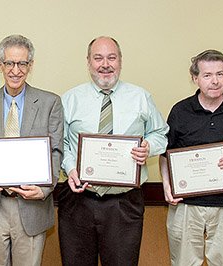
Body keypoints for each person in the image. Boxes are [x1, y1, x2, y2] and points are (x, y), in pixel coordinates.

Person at [58, 36, 169, 266]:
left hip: (124, 203)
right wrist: (70, 168)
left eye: (111, 57)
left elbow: (161, 134)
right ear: (88, 62)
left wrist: (148, 147)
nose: (105, 64)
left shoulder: (140, 97)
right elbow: (61, 143)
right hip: (79, 200)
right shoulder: (70, 99)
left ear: (120, 61)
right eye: (98, 58)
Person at [159, 49, 223, 266]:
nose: (215, 81)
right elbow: (165, 154)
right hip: (186, 205)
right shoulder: (180, 111)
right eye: (207, 75)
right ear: (195, 78)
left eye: (220, 74)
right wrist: (167, 186)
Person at [0, 34, 63, 266]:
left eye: (22, 63)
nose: (16, 70)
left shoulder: (49, 103)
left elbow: (55, 152)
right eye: (9, 63)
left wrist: (44, 189)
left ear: (30, 66)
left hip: (31, 206)